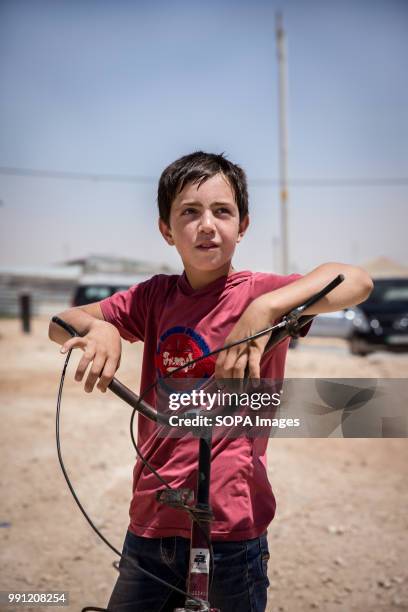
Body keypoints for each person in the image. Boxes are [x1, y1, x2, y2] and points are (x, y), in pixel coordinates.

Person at [49, 151, 373, 612]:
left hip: (231, 527)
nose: (207, 225)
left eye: (222, 211)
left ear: (242, 226)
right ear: (166, 230)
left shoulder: (263, 294)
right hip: (152, 519)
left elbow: (356, 282)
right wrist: (98, 327)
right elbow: (60, 321)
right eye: (189, 212)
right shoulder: (153, 297)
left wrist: (264, 311)